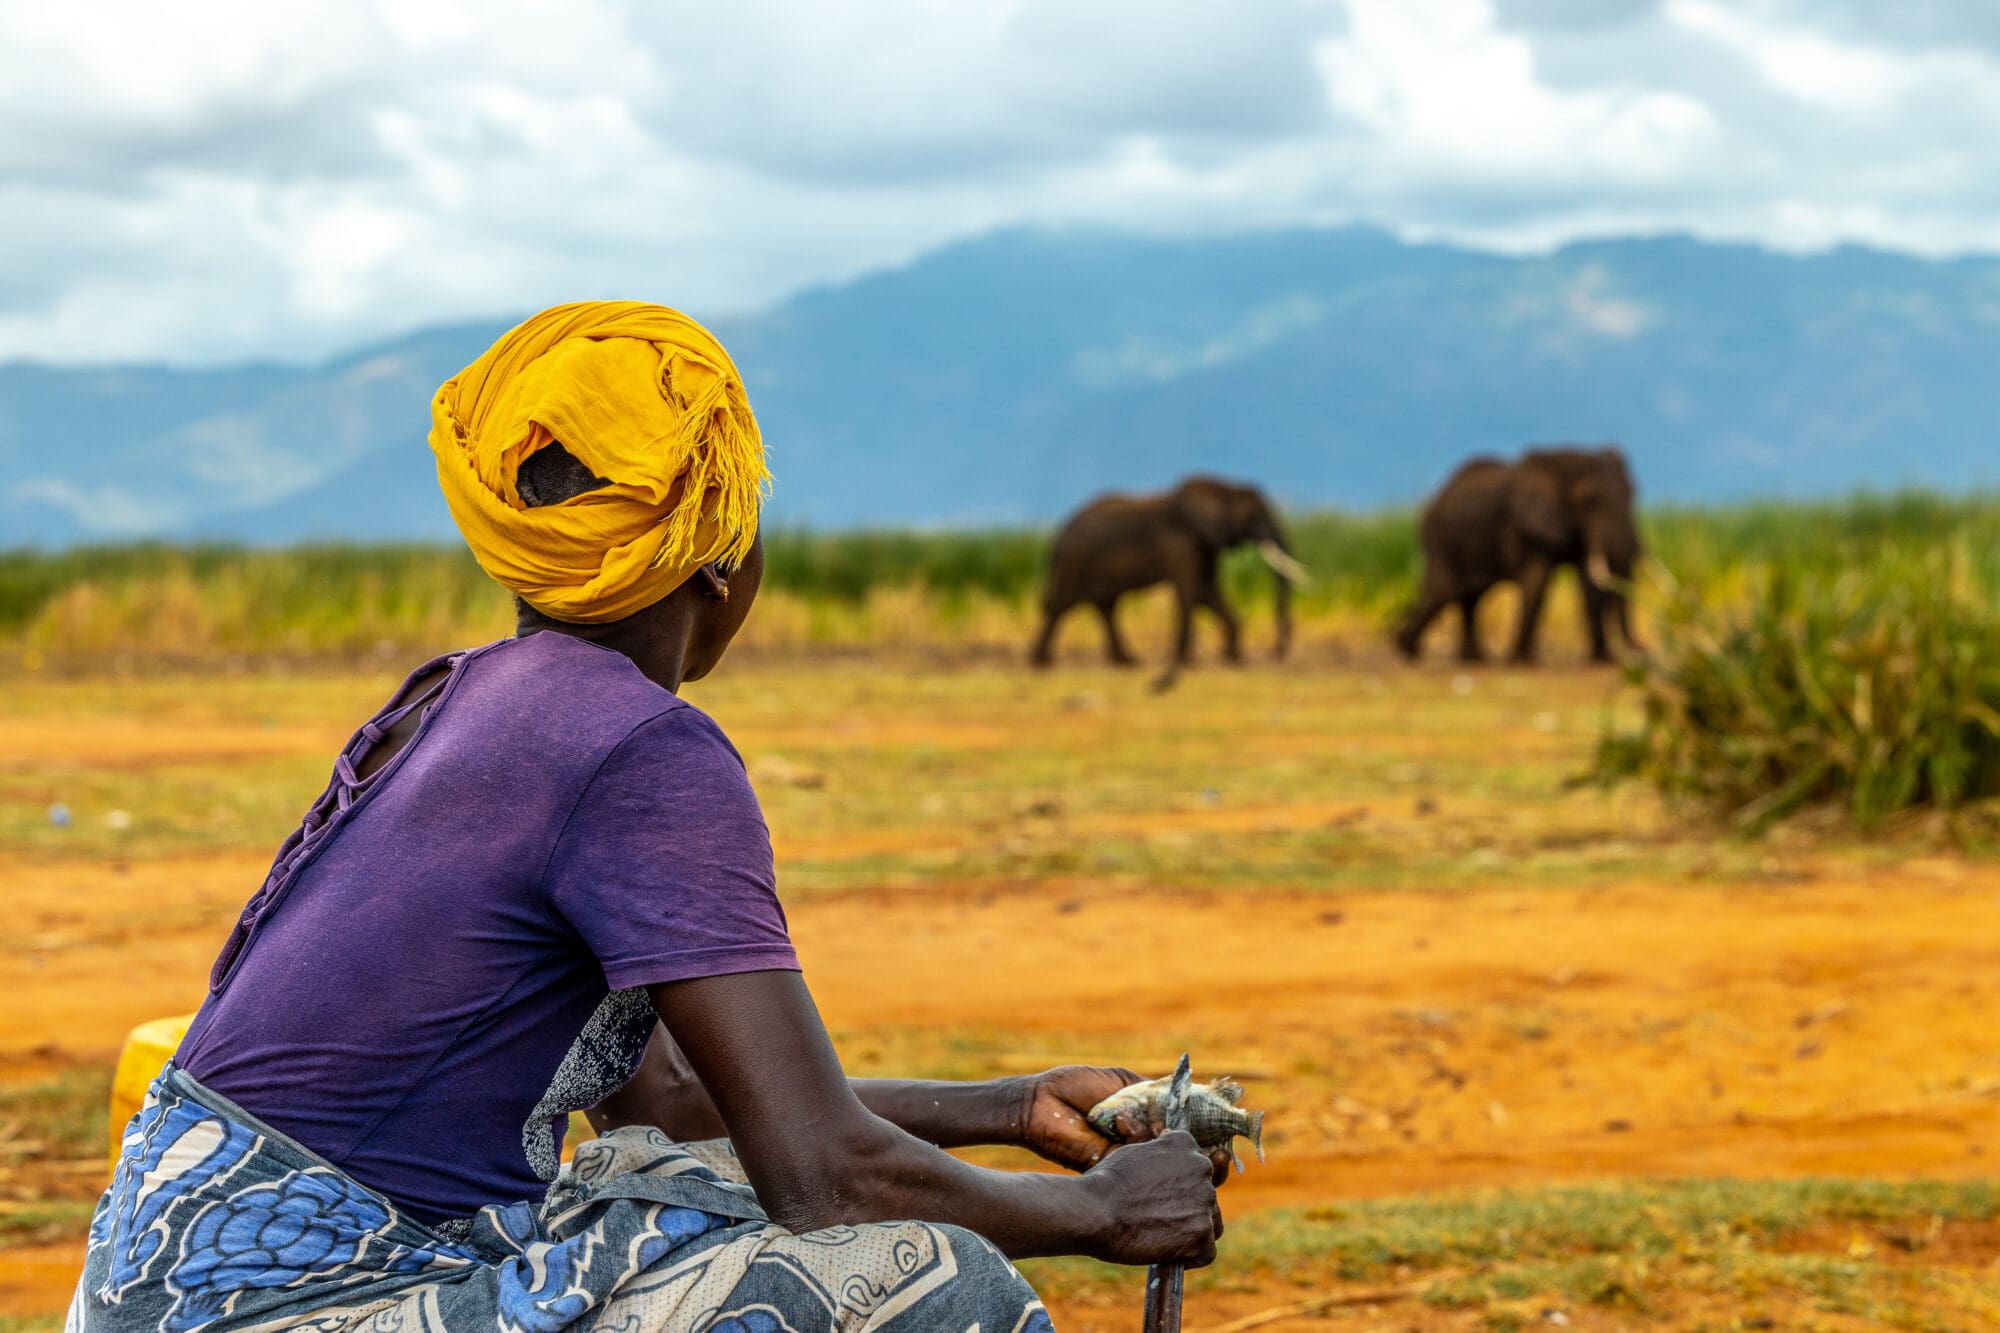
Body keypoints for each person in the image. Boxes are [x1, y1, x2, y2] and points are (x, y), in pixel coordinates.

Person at [70, 302, 1223, 1333]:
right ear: (724, 556)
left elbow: (669, 1103)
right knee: (929, 1282)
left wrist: (1014, 1108)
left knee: (664, 1179)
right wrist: (1102, 1213)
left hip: (156, 1284)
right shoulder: (642, 749)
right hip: (303, 1300)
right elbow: (825, 1176)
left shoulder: (450, 699)